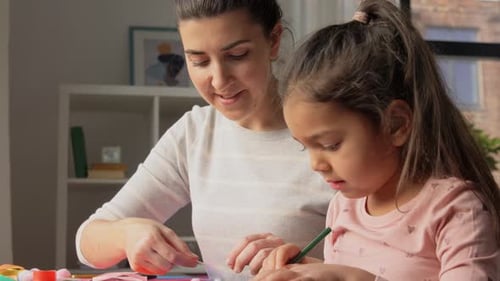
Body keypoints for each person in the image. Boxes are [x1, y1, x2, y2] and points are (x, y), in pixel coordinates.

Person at [75, 1, 335, 280]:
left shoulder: (332, 137)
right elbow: (87, 242)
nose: (220, 80)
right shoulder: (195, 133)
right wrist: (128, 234)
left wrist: (306, 266)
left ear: (273, 41)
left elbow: (380, 265)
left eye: (237, 55)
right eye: (199, 61)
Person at [252, 0, 500, 280]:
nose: (316, 164)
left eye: (331, 144)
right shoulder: (343, 206)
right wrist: (305, 270)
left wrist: (354, 279)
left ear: (396, 124)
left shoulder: (454, 210)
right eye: (305, 146)